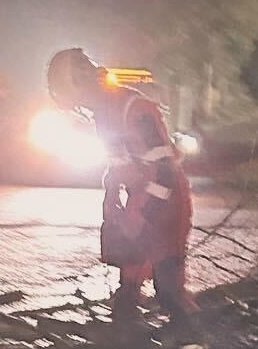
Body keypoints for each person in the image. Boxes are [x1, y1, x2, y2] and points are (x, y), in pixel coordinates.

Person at [46, 48, 193, 321]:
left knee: (168, 285)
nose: (80, 106)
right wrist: (112, 197)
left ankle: (194, 339)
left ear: (82, 83)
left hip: (168, 200)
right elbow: (118, 160)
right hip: (140, 196)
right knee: (129, 280)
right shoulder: (103, 113)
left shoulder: (135, 109)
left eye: (77, 99)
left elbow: (165, 171)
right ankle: (129, 332)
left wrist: (146, 215)